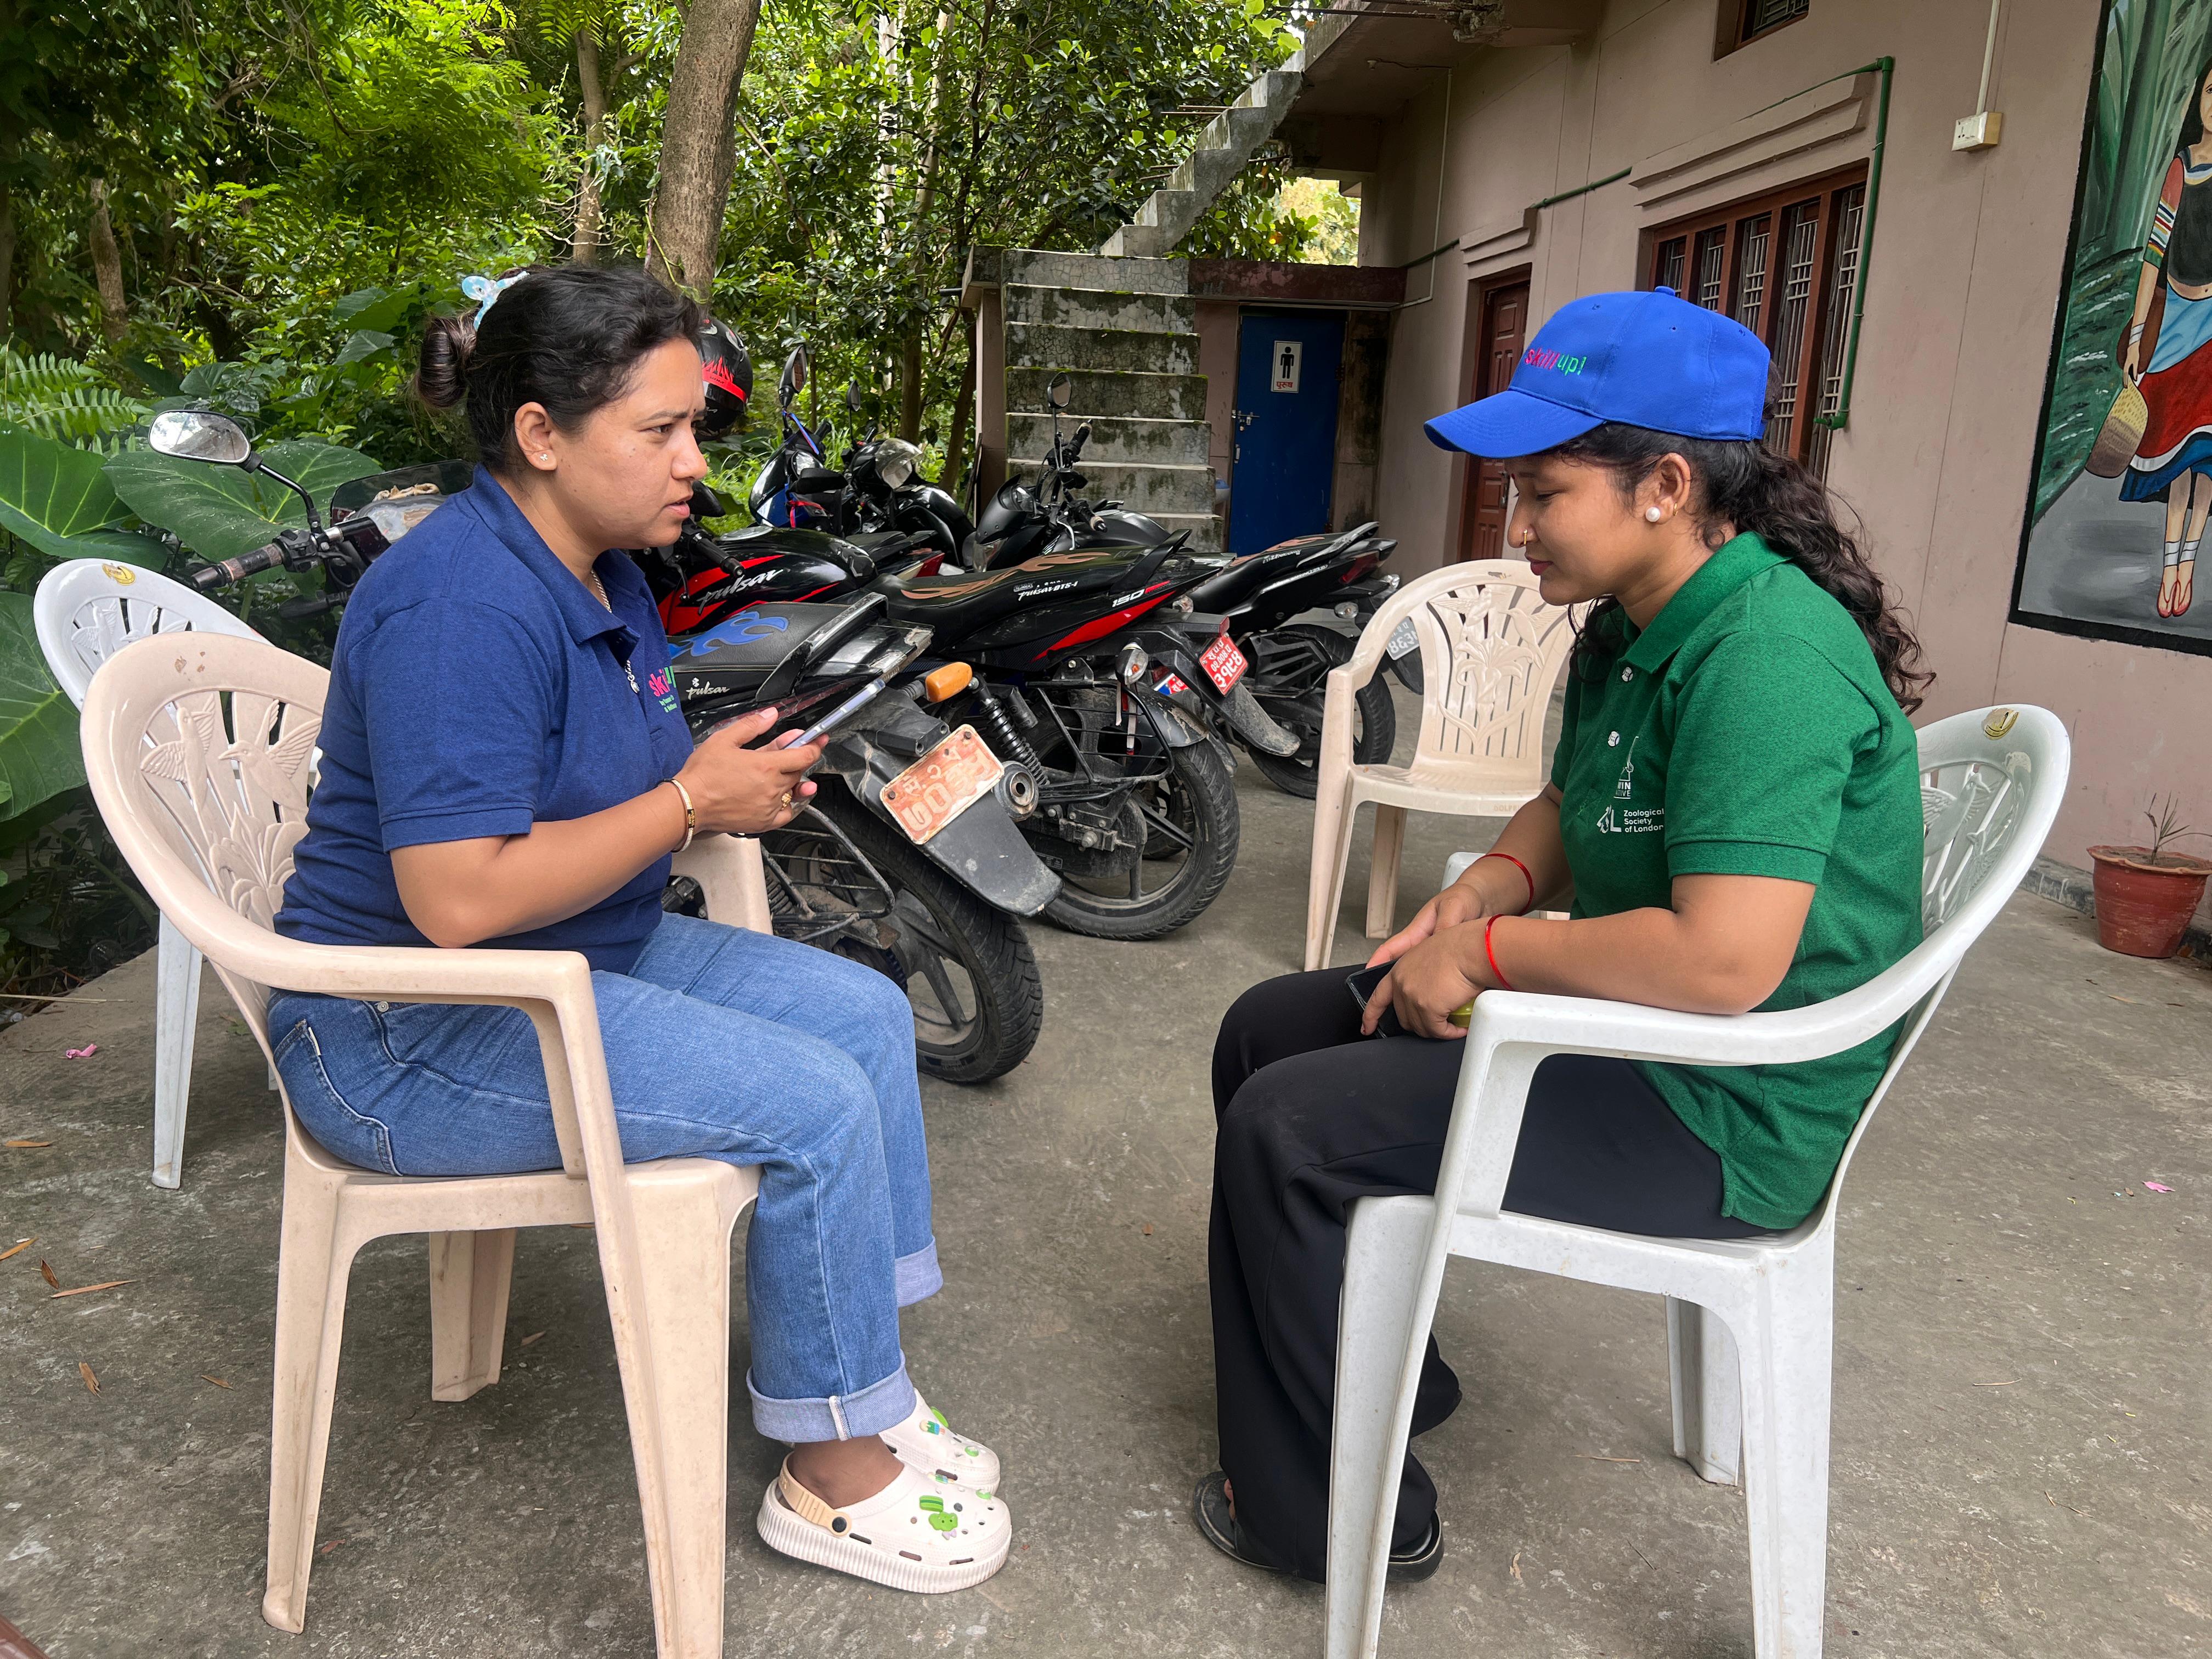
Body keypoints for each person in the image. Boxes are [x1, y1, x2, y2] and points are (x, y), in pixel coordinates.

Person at [266, 264, 1008, 1594]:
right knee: (813, 1105)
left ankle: (859, 1384)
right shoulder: (464, 603)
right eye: (658, 432)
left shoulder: (604, 572)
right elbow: (456, 897)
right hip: (401, 1027)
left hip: (561, 961)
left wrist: (724, 777)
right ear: (542, 435)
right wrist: (684, 802)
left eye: (695, 428)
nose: (692, 462)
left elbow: (613, 786)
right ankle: (828, 1481)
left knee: (868, 1015)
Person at [1194, 286, 1929, 1583]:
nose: (1515, 527)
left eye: (1542, 493)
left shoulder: (1767, 656)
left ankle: (1332, 1519)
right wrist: (1479, 894)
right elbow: (1573, 808)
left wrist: (1487, 959)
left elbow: (1724, 963)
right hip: (1643, 1038)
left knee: (1289, 1129)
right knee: (1267, 1032)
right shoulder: (1632, 627)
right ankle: (1379, 1377)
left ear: (1665, 483)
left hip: (1723, 1106)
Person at [2120, 51, 2212, 619]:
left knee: (2206, 459)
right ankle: (2169, 566)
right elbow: (2153, 256)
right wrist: (2135, 337)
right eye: (2210, 91)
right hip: (2178, 318)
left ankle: (2188, 568)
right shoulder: (2183, 167)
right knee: (2177, 456)